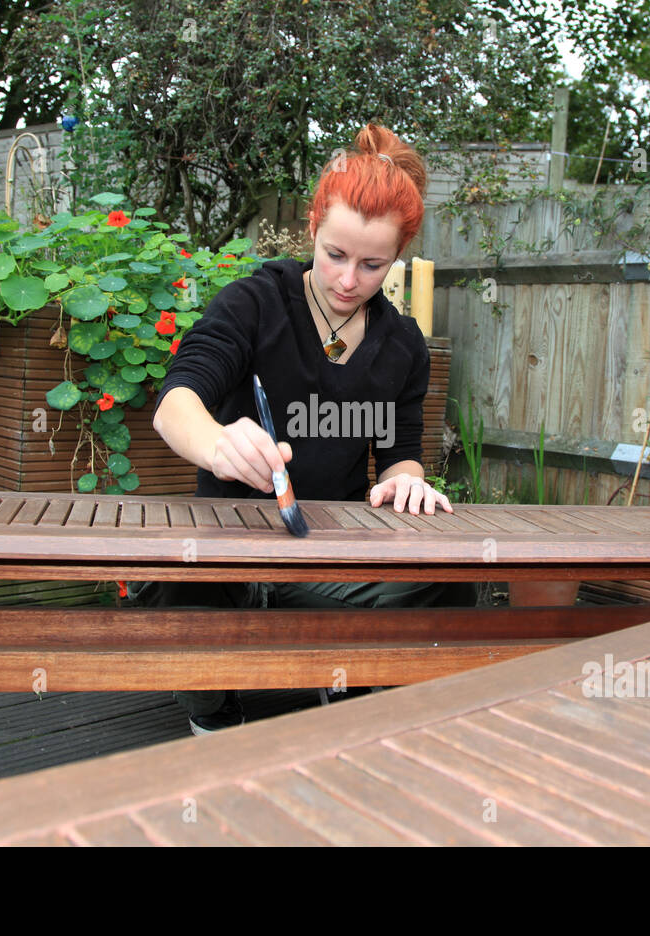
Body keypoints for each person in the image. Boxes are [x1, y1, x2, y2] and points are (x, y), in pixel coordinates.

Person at [131, 122, 477, 735]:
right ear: (313, 227)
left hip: (328, 556)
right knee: (163, 586)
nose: (349, 281)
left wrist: (409, 483)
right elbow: (176, 401)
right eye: (335, 255)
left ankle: (349, 686)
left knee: (449, 586)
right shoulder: (254, 303)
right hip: (225, 550)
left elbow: (400, 454)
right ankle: (214, 709)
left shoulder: (402, 345)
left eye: (373, 265)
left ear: (397, 259)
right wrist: (217, 442)